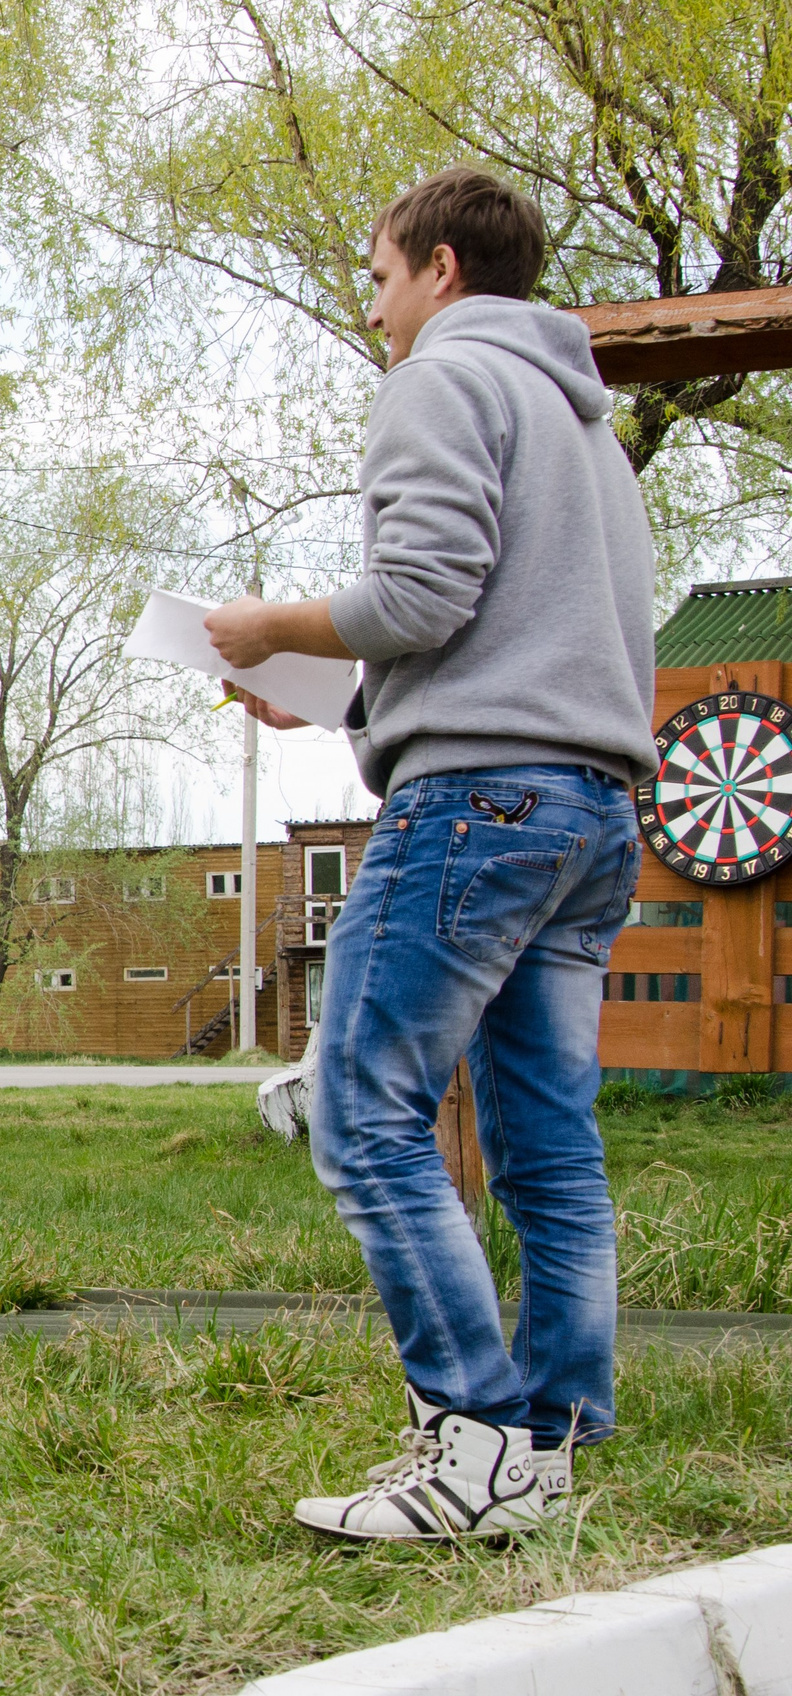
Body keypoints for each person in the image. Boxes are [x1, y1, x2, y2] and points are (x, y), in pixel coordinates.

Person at [206, 168, 653, 1541]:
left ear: (444, 271)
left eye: (383, 273)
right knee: (548, 1147)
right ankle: (549, 1448)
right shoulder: (588, 434)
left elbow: (417, 592)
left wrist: (265, 625)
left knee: (362, 1106)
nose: (376, 299)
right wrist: (337, 695)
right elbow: (507, 634)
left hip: (477, 810)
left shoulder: (441, 380)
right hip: (589, 814)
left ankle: (467, 1440)